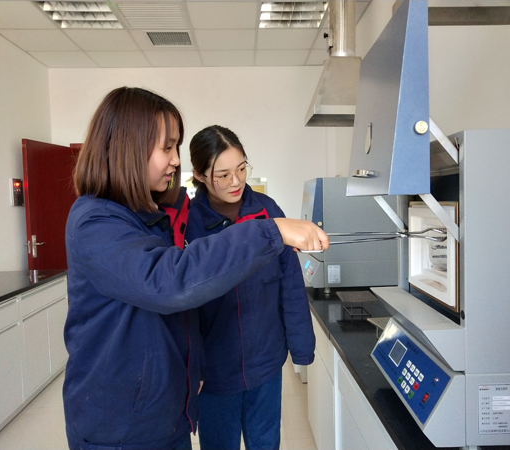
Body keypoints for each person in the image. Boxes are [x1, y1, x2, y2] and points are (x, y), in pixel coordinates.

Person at [63, 87, 328, 450]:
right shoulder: (97, 223)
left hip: (175, 405)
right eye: (167, 148)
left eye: (241, 169)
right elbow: (172, 282)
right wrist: (272, 231)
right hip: (127, 425)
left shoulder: (149, 216)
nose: (175, 161)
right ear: (129, 148)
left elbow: (288, 288)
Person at [186, 125, 316, 450]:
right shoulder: (190, 225)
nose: (236, 181)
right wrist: (192, 367)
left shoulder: (268, 212)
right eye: (223, 174)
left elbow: (290, 283)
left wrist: (301, 345)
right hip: (215, 373)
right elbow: (184, 307)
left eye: (242, 168)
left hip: (266, 363)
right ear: (199, 175)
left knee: (266, 443)